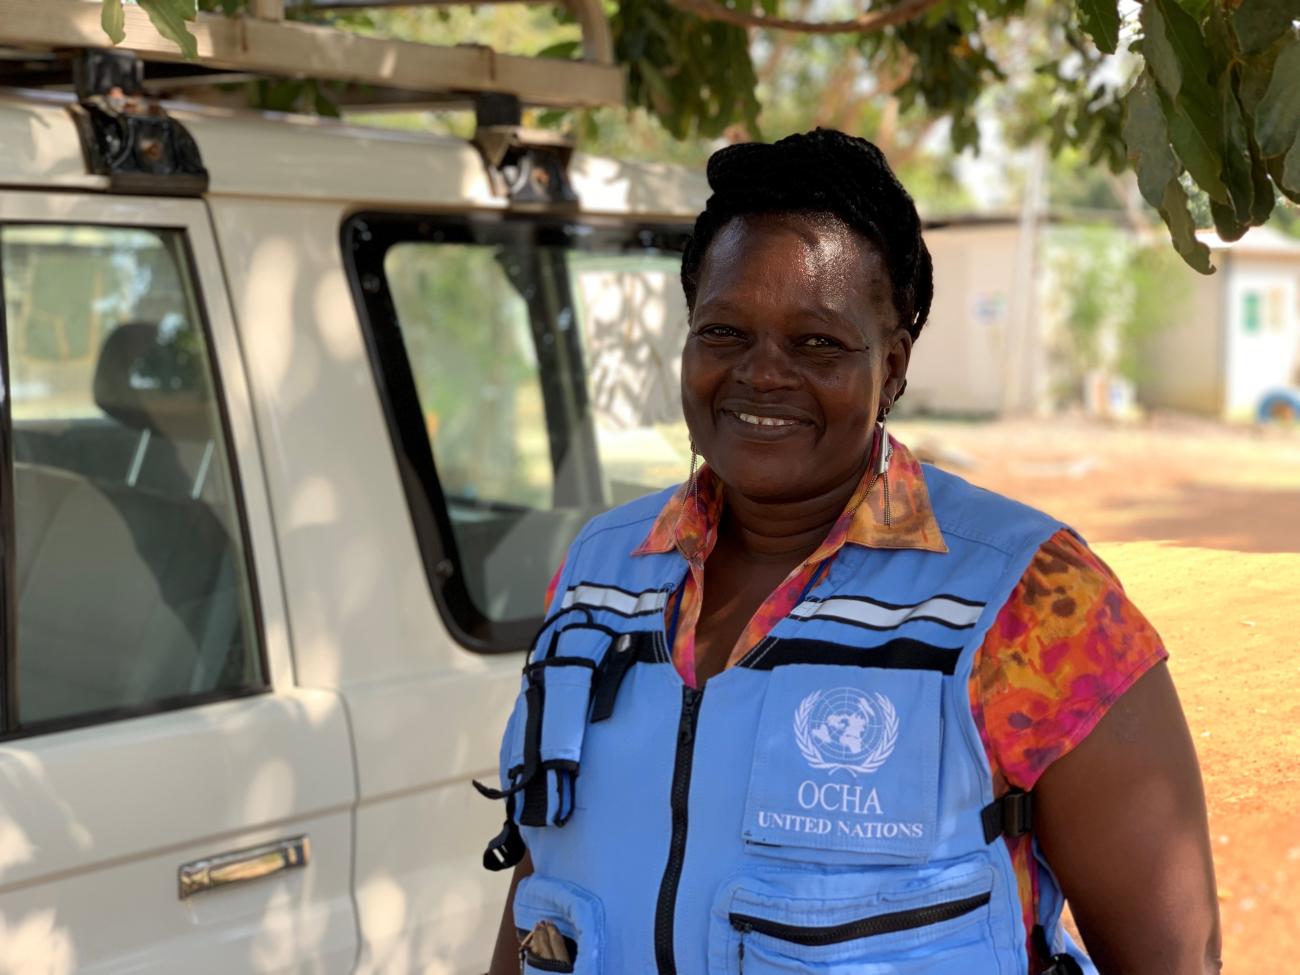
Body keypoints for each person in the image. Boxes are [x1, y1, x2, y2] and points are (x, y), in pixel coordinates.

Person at [478, 129, 1221, 975]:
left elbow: (1170, 959)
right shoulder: (599, 573)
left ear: (893, 366)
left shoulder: (1033, 600)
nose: (763, 374)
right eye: (724, 332)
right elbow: (543, 883)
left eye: (818, 342)